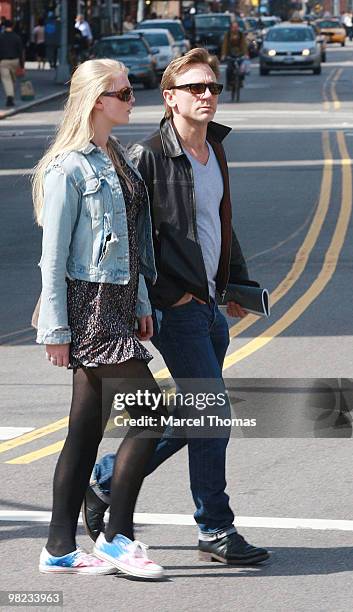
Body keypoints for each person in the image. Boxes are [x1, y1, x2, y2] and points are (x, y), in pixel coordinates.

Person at [83, 48, 270, 566]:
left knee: (196, 415)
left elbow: (220, 225)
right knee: (214, 415)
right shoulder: (146, 158)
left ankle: (104, 479)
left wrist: (235, 286)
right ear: (170, 99)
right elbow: (129, 241)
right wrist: (163, 297)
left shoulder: (216, 150)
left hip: (211, 303)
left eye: (210, 86)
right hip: (177, 309)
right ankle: (215, 527)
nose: (207, 95)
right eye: (194, 88)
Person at [32, 58, 166, 579]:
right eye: (124, 94)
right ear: (96, 102)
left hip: (116, 301)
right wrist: (56, 330)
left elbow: (130, 243)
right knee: (154, 413)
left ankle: (59, 546)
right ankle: (117, 537)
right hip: (87, 307)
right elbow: (53, 255)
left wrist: (139, 303)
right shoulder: (69, 166)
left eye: (131, 92)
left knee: (85, 430)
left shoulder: (118, 159)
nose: (133, 100)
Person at [0, 19, 24, 107]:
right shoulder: (17, 37)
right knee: (13, 79)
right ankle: (11, 96)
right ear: (12, 26)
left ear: (4, 26)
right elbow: (20, 51)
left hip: (3, 62)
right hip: (15, 61)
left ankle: (9, 97)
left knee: (6, 80)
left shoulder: (1, 37)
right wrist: (22, 65)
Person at [221, 22, 249, 90]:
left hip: (239, 54)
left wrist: (246, 54)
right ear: (231, 28)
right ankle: (228, 84)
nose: (235, 28)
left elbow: (244, 45)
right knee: (229, 69)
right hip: (230, 54)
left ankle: (241, 81)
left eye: (236, 27)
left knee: (242, 69)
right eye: (233, 27)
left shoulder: (241, 34)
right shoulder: (227, 34)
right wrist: (223, 55)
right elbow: (224, 45)